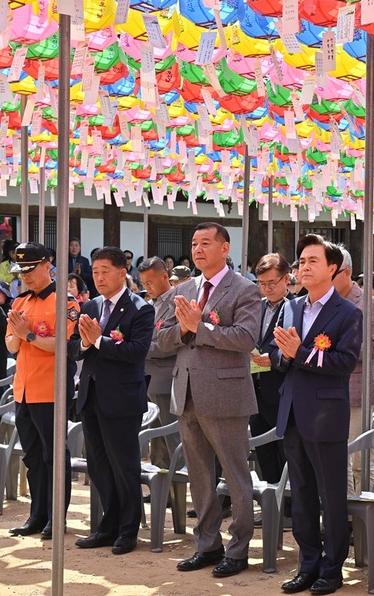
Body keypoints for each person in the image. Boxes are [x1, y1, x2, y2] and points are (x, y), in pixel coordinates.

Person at [155, 222, 261, 578]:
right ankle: (207, 544)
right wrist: (184, 328)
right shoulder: (183, 290)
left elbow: (246, 338)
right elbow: (162, 341)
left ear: (224, 248)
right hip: (186, 392)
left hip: (226, 393)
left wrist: (200, 328)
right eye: (194, 244)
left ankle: (239, 548)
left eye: (206, 243)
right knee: (199, 473)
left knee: (234, 473)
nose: (198, 249)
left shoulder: (244, 289)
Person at [268, 234, 362, 596]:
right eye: (301, 262)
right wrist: (286, 355)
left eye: (312, 261)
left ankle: (332, 567)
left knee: (330, 495)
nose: (303, 268)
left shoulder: (348, 313)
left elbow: (344, 363)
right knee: (302, 494)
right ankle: (307, 563)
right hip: (292, 411)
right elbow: (275, 355)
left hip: (326, 415)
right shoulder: (289, 308)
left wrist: (302, 352)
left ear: (332, 268)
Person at [68, 246, 155, 556]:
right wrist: (85, 343)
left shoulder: (140, 308)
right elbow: (74, 347)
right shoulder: (89, 306)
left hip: (121, 398)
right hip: (91, 393)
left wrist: (99, 341)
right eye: (95, 271)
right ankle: (109, 524)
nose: (99, 276)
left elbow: (136, 352)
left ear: (122, 272)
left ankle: (128, 529)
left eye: (105, 271)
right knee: (99, 465)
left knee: (124, 465)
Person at [5, 242, 79, 540]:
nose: (25, 276)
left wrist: (28, 335)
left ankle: (55, 517)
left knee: (54, 456)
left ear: (48, 264)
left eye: (31, 269)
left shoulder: (66, 302)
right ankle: (37, 515)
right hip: (23, 389)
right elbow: (10, 345)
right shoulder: (19, 302)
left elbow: (64, 346)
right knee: (32, 457)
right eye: (21, 270)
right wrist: (21, 336)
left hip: (50, 390)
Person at [332, 254, 374, 496]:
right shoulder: (323, 301)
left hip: (356, 389)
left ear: (346, 273)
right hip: (328, 389)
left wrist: (335, 349)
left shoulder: (367, 304)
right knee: (336, 457)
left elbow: (372, 347)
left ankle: (362, 518)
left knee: (359, 459)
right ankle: (342, 513)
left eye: (332, 272)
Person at [250, 253, 292, 490]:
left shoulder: (295, 307)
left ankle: (287, 508)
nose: (266, 289)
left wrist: (274, 360)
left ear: (286, 280)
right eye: (262, 284)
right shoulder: (256, 307)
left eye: (271, 283)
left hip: (280, 390)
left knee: (284, 451)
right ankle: (269, 506)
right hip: (254, 390)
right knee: (263, 453)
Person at [137, 257, 180, 472]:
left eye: (150, 282)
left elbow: (174, 342)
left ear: (165, 276)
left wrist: (140, 348)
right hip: (148, 377)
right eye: (143, 284)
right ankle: (162, 489)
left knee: (171, 437)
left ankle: (179, 491)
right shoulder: (148, 305)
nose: (147, 288)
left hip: (167, 379)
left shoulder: (177, 302)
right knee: (156, 440)